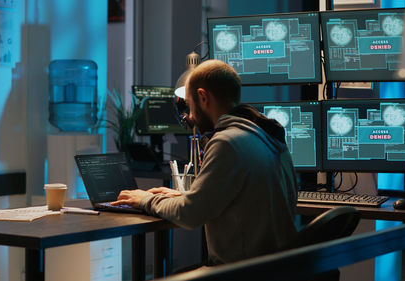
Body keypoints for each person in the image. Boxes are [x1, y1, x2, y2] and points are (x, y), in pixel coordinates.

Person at [112, 59, 298, 265]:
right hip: (277, 269)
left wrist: (144, 200)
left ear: (202, 97)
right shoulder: (268, 135)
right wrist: (186, 196)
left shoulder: (227, 142)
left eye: (190, 106)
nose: (190, 116)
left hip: (242, 272)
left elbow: (190, 215)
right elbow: (245, 198)